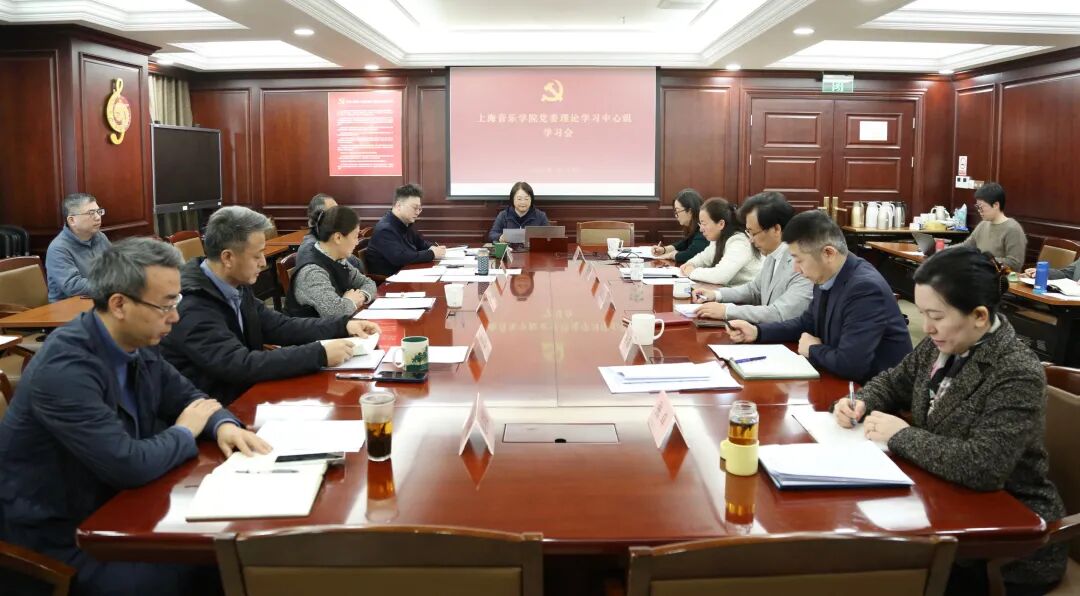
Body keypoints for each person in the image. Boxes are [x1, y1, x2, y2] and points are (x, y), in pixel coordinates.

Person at [0, 237, 269, 596]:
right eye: (165, 305)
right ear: (119, 304)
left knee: (234, 549)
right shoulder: (66, 370)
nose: (175, 316)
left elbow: (189, 397)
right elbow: (128, 463)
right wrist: (184, 432)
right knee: (201, 566)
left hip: (122, 504)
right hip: (61, 535)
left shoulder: (137, 341)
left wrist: (222, 425)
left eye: (177, 302)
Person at [834, 246, 1066, 595]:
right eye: (923, 314)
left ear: (979, 316)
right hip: (942, 502)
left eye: (936, 316)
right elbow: (894, 381)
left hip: (1007, 543)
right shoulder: (941, 344)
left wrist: (901, 435)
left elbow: (984, 466)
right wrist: (861, 402)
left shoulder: (1016, 371)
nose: (926, 327)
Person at [160, 206, 380, 405]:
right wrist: (319, 354)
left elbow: (280, 326)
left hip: (245, 396)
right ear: (227, 257)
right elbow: (239, 364)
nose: (264, 263)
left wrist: (343, 326)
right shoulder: (192, 303)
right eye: (257, 256)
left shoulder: (235, 283)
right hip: (215, 410)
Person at [727, 210, 911, 384]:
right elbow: (806, 323)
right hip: (840, 381)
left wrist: (813, 349)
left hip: (873, 393)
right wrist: (757, 332)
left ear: (828, 253)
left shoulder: (865, 289)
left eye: (799, 260)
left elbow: (851, 364)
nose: (795, 269)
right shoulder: (826, 274)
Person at [692, 191, 813, 323]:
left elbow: (780, 313)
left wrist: (727, 311)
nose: (750, 240)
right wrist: (716, 295)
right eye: (748, 232)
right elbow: (754, 290)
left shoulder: (801, 263)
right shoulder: (772, 254)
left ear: (776, 229)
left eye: (753, 233)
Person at [286, 205, 377, 318]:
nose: (357, 242)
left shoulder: (338, 259)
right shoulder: (312, 272)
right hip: (314, 329)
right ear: (338, 238)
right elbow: (335, 313)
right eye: (355, 236)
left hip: (336, 326)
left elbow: (369, 283)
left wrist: (360, 296)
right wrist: (350, 302)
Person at [366, 184, 447, 276]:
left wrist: (434, 248)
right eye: (414, 208)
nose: (417, 212)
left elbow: (421, 244)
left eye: (419, 209)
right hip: (391, 280)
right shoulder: (385, 229)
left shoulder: (405, 223)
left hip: (407, 273)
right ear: (398, 205)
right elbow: (399, 258)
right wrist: (432, 254)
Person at [679, 197, 761, 286]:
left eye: (704, 224)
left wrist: (692, 272)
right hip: (727, 291)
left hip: (746, 294)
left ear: (721, 224)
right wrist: (690, 264)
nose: (701, 229)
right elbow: (703, 258)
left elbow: (720, 276)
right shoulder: (719, 238)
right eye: (700, 224)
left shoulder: (739, 242)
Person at [45, 192, 112, 302]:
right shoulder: (58, 249)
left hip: (99, 298)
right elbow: (73, 286)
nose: (98, 217)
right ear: (72, 220)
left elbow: (115, 265)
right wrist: (112, 283)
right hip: (67, 306)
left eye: (99, 211)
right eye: (91, 213)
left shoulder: (100, 237)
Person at [959, 182, 1026, 271]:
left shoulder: (1013, 229)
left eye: (981, 207)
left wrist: (982, 260)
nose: (979, 211)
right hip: (980, 273)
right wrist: (945, 251)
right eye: (977, 207)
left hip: (1001, 277)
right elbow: (966, 246)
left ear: (995, 205)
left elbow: (1015, 263)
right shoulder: (983, 225)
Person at [302, 193, 365, 272]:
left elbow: (357, 265)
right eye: (333, 212)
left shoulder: (328, 237)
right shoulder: (312, 248)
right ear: (320, 218)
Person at [650, 188, 708, 264]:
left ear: (690, 211)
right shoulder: (695, 226)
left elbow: (691, 254)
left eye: (677, 211)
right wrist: (664, 250)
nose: (676, 215)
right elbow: (685, 243)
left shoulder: (704, 228)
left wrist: (671, 255)